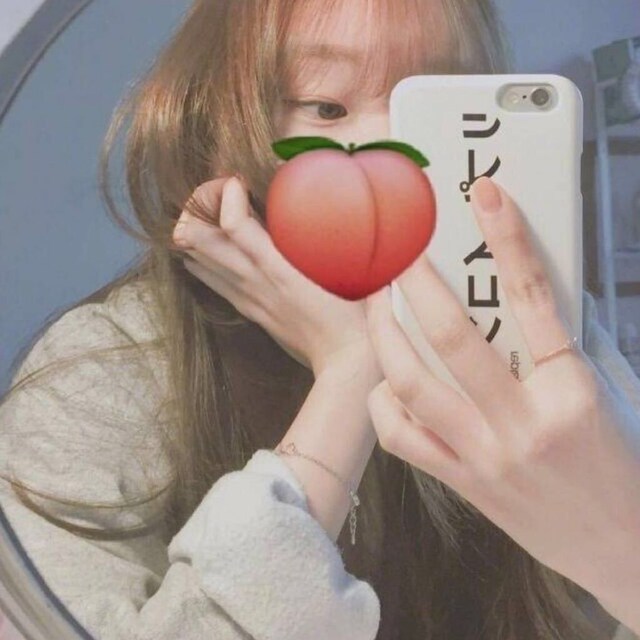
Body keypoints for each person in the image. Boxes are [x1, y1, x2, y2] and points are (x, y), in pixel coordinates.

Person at [0, 0, 638, 638]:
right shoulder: (104, 368)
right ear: (216, 125)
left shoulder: (547, 339)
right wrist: (352, 372)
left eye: (432, 103)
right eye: (327, 108)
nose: (396, 154)